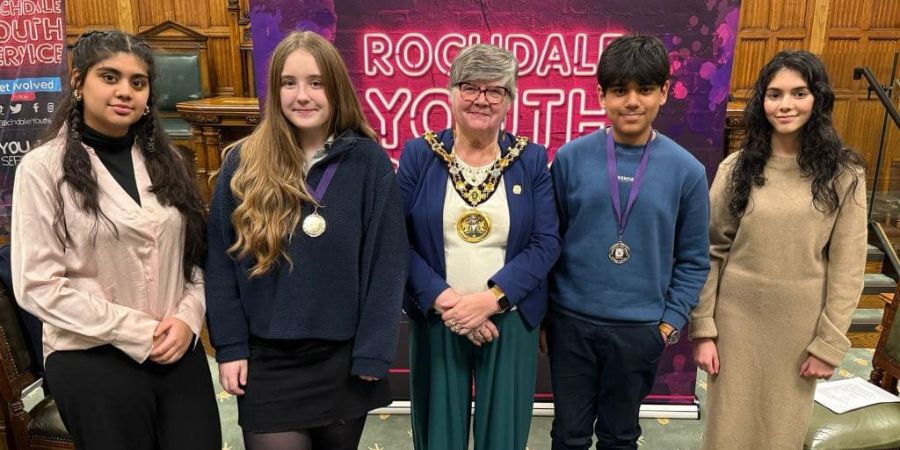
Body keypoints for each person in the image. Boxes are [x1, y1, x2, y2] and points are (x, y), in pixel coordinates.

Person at [10, 30, 221, 450]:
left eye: (137, 83)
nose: (125, 91)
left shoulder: (170, 162)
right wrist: (140, 332)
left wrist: (187, 316)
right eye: (110, 77)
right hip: (91, 353)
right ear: (78, 81)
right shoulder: (41, 169)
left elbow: (195, 260)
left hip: (176, 344)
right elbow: (37, 285)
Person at [205, 30, 407, 450]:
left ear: (335, 89)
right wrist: (229, 346)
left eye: (316, 82)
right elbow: (221, 262)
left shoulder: (368, 162)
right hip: (267, 361)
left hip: (343, 359)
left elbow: (387, 264)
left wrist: (374, 350)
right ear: (274, 90)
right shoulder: (242, 163)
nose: (303, 95)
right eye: (289, 82)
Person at [690, 50, 867, 449]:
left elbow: (848, 268)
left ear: (817, 98)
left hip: (798, 331)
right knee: (727, 432)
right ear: (761, 102)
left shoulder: (844, 174)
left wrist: (829, 345)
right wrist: (703, 329)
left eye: (798, 93)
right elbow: (710, 251)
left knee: (778, 434)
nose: (785, 105)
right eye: (774, 94)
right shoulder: (736, 168)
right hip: (736, 324)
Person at [548, 34, 710, 450]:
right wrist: (548, 316)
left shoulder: (687, 171)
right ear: (601, 94)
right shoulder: (569, 158)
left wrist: (669, 322)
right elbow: (550, 241)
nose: (632, 101)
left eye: (645, 89)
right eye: (620, 90)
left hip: (640, 329)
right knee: (568, 435)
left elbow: (694, 259)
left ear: (664, 92)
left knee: (620, 437)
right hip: (572, 322)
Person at [399, 43, 561, 450]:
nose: (481, 99)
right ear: (451, 92)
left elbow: (545, 243)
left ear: (510, 99)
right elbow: (396, 241)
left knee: (503, 436)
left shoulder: (530, 159)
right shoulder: (420, 155)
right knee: (439, 435)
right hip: (439, 317)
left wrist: (490, 301)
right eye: (470, 87)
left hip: (508, 318)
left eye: (496, 90)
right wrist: (450, 303)